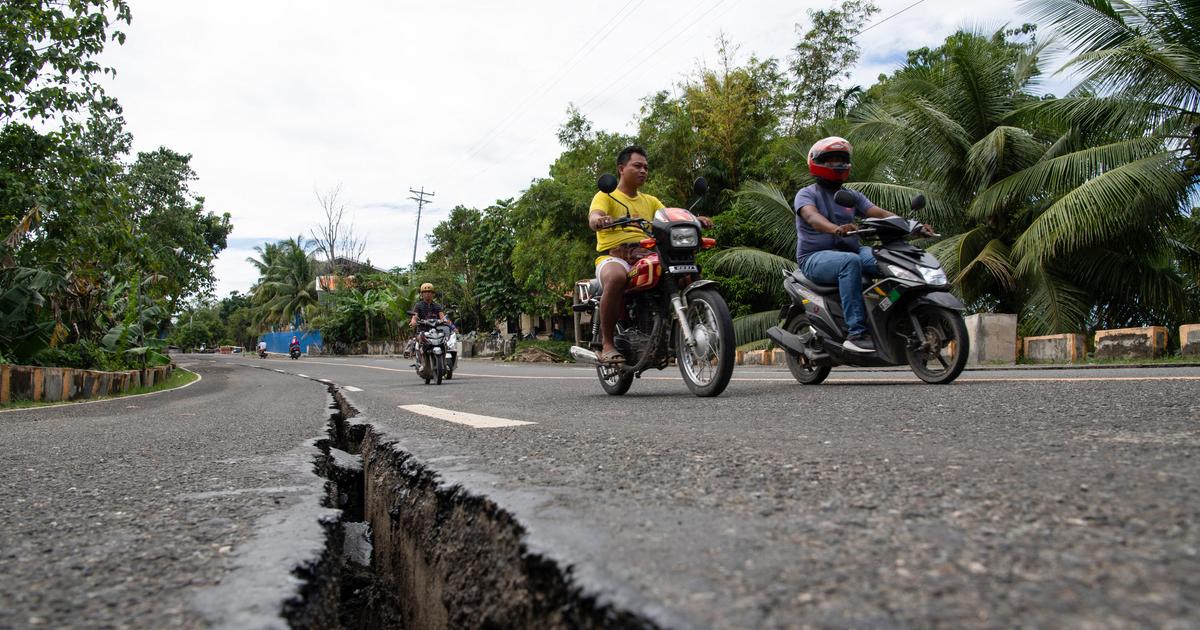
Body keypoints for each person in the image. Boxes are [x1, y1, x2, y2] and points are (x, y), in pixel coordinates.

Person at [794, 136, 932, 353]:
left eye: (841, 159)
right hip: (814, 257)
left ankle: (894, 318)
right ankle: (856, 333)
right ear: (817, 162)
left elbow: (879, 213)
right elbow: (812, 217)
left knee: (891, 257)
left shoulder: (852, 196)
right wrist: (835, 228)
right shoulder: (807, 194)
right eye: (831, 160)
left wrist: (913, 227)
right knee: (849, 263)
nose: (837, 164)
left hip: (853, 250)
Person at [588, 145, 712, 365]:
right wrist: (599, 220)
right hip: (616, 257)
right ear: (621, 169)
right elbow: (594, 216)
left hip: (648, 254)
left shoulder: (651, 201)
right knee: (616, 277)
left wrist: (693, 219)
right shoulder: (606, 196)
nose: (643, 170)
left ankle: (686, 331)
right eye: (637, 166)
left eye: (646, 167)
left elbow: (670, 218)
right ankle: (607, 344)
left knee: (686, 274)